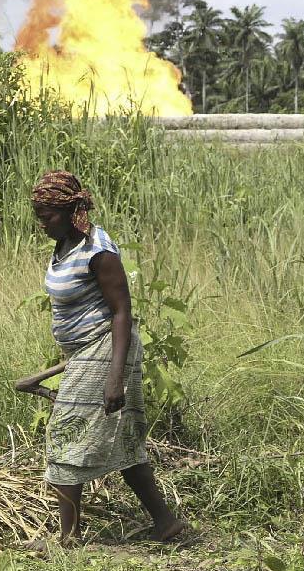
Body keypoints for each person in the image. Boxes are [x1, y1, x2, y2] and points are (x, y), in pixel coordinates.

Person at [15, 170, 185, 545]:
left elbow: (122, 312)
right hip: (85, 352)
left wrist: (114, 376)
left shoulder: (99, 251)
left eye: (47, 216)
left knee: (63, 436)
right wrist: (52, 370)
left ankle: (69, 537)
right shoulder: (64, 245)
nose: (41, 224)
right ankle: (166, 523)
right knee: (125, 443)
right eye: (38, 216)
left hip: (107, 349)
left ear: (70, 210)